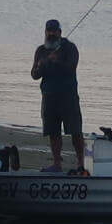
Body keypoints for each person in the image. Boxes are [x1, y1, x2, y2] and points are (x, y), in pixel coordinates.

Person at [30, 18, 85, 174]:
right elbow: (34, 75)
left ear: (60, 32)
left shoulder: (70, 48)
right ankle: (56, 165)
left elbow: (71, 68)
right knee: (53, 132)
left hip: (68, 97)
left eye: (54, 31)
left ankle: (81, 163)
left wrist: (57, 61)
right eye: (49, 30)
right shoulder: (41, 50)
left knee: (75, 131)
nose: (51, 33)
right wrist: (42, 66)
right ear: (45, 32)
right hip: (49, 97)